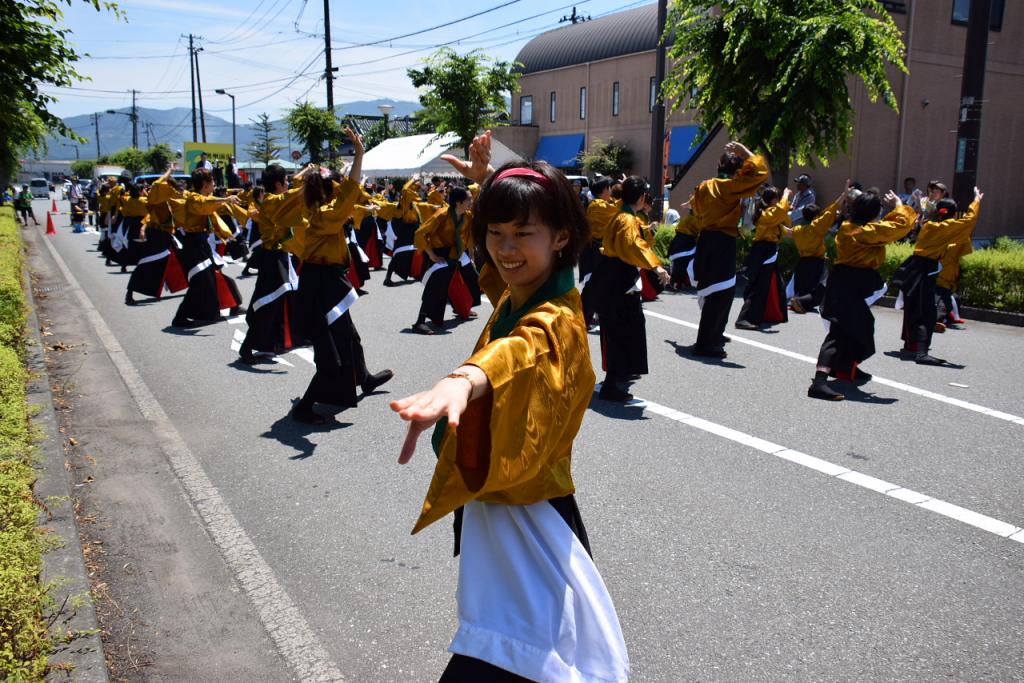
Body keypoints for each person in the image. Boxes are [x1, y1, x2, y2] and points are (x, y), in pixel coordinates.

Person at [392, 130, 629, 683]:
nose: (506, 247)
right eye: (495, 233)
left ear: (562, 237)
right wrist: (491, 183)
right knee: (518, 646)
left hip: (530, 512)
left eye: (523, 233)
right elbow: (497, 274)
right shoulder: (524, 287)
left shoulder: (558, 317)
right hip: (503, 502)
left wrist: (466, 379)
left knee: (516, 654)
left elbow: (520, 350)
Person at [290, 129, 393, 424]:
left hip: (328, 281)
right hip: (318, 286)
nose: (338, 188)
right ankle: (304, 407)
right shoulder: (321, 215)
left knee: (350, 336)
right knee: (329, 358)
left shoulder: (320, 210)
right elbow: (349, 192)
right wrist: (359, 155)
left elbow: (349, 200)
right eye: (332, 185)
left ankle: (364, 378)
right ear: (325, 190)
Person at [807, 189, 916, 400]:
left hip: (847, 281)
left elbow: (887, 227)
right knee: (840, 332)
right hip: (848, 282)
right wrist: (898, 205)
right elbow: (899, 226)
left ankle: (848, 367)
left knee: (859, 326)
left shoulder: (851, 226)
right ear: (872, 213)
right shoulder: (865, 232)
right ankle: (819, 382)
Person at [688, 142, 770, 358]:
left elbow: (695, 209)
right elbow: (761, 173)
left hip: (706, 239)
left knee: (717, 291)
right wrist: (746, 151)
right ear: (737, 171)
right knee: (721, 293)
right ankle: (706, 342)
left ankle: (714, 334)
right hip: (723, 240)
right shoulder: (732, 187)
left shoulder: (705, 185)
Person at [593, 176, 670, 401]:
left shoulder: (623, 213)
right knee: (621, 329)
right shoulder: (626, 219)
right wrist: (656, 267)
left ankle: (622, 373)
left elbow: (639, 236)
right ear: (641, 197)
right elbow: (633, 244)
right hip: (618, 280)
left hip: (614, 278)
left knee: (627, 326)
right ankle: (611, 385)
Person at [893, 188, 982, 365]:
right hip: (927, 269)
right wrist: (976, 201)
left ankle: (912, 345)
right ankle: (922, 353)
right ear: (954, 214)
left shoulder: (929, 225)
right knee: (928, 312)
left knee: (914, 309)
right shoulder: (946, 227)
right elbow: (969, 220)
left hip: (913, 266)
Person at [171, 167, 244, 328]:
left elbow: (215, 210)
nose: (214, 184)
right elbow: (205, 204)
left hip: (202, 243)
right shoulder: (194, 199)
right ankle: (180, 317)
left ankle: (216, 311)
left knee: (211, 278)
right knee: (200, 280)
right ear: (205, 184)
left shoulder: (206, 198)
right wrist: (225, 199)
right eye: (212, 181)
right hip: (193, 244)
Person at [410, 186, 476, 334]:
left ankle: (461, 308)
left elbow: (469, 235)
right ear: (458, 202)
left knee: (465, 281)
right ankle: (419, 322)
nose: (471, 201)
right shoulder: (442, 214)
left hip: (456, 253)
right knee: (435, 288)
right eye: (469, 199)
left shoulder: (467, 216)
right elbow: (420, 233)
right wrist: (432, 255)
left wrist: (471, 254)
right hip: (440, 254)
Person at [125, 164, 188, 305]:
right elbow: (158, 184)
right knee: (148, 263)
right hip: (157, 235)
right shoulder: (156, 198)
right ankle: (130, 293)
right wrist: (170, 170)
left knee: (178, 260)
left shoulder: (166, 201)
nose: (173, 190)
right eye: (170, 187)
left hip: (166, 235)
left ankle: (188, 285)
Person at [735, 186, 792, 329]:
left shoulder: (768, 213)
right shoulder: (767, 213)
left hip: (768, 250)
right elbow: (779, 211)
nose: (779, 201)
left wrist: (787, 231)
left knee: (775, 284)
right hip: (764, 251)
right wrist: (785, 195)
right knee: (759, 285)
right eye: (777, 198)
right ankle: (744, 319)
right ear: (773, 200)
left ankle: (771, 314)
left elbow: (779, 224)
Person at [788, 193, 842, 314]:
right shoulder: (815, 227)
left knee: (804, 288)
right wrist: (843, 195)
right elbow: (831, 210)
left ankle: (798, 301)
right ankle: (800, 301)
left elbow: (788, 232)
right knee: (821, 288)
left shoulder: (798, 229)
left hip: (802, 263)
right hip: (816, 262)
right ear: (816, 217)